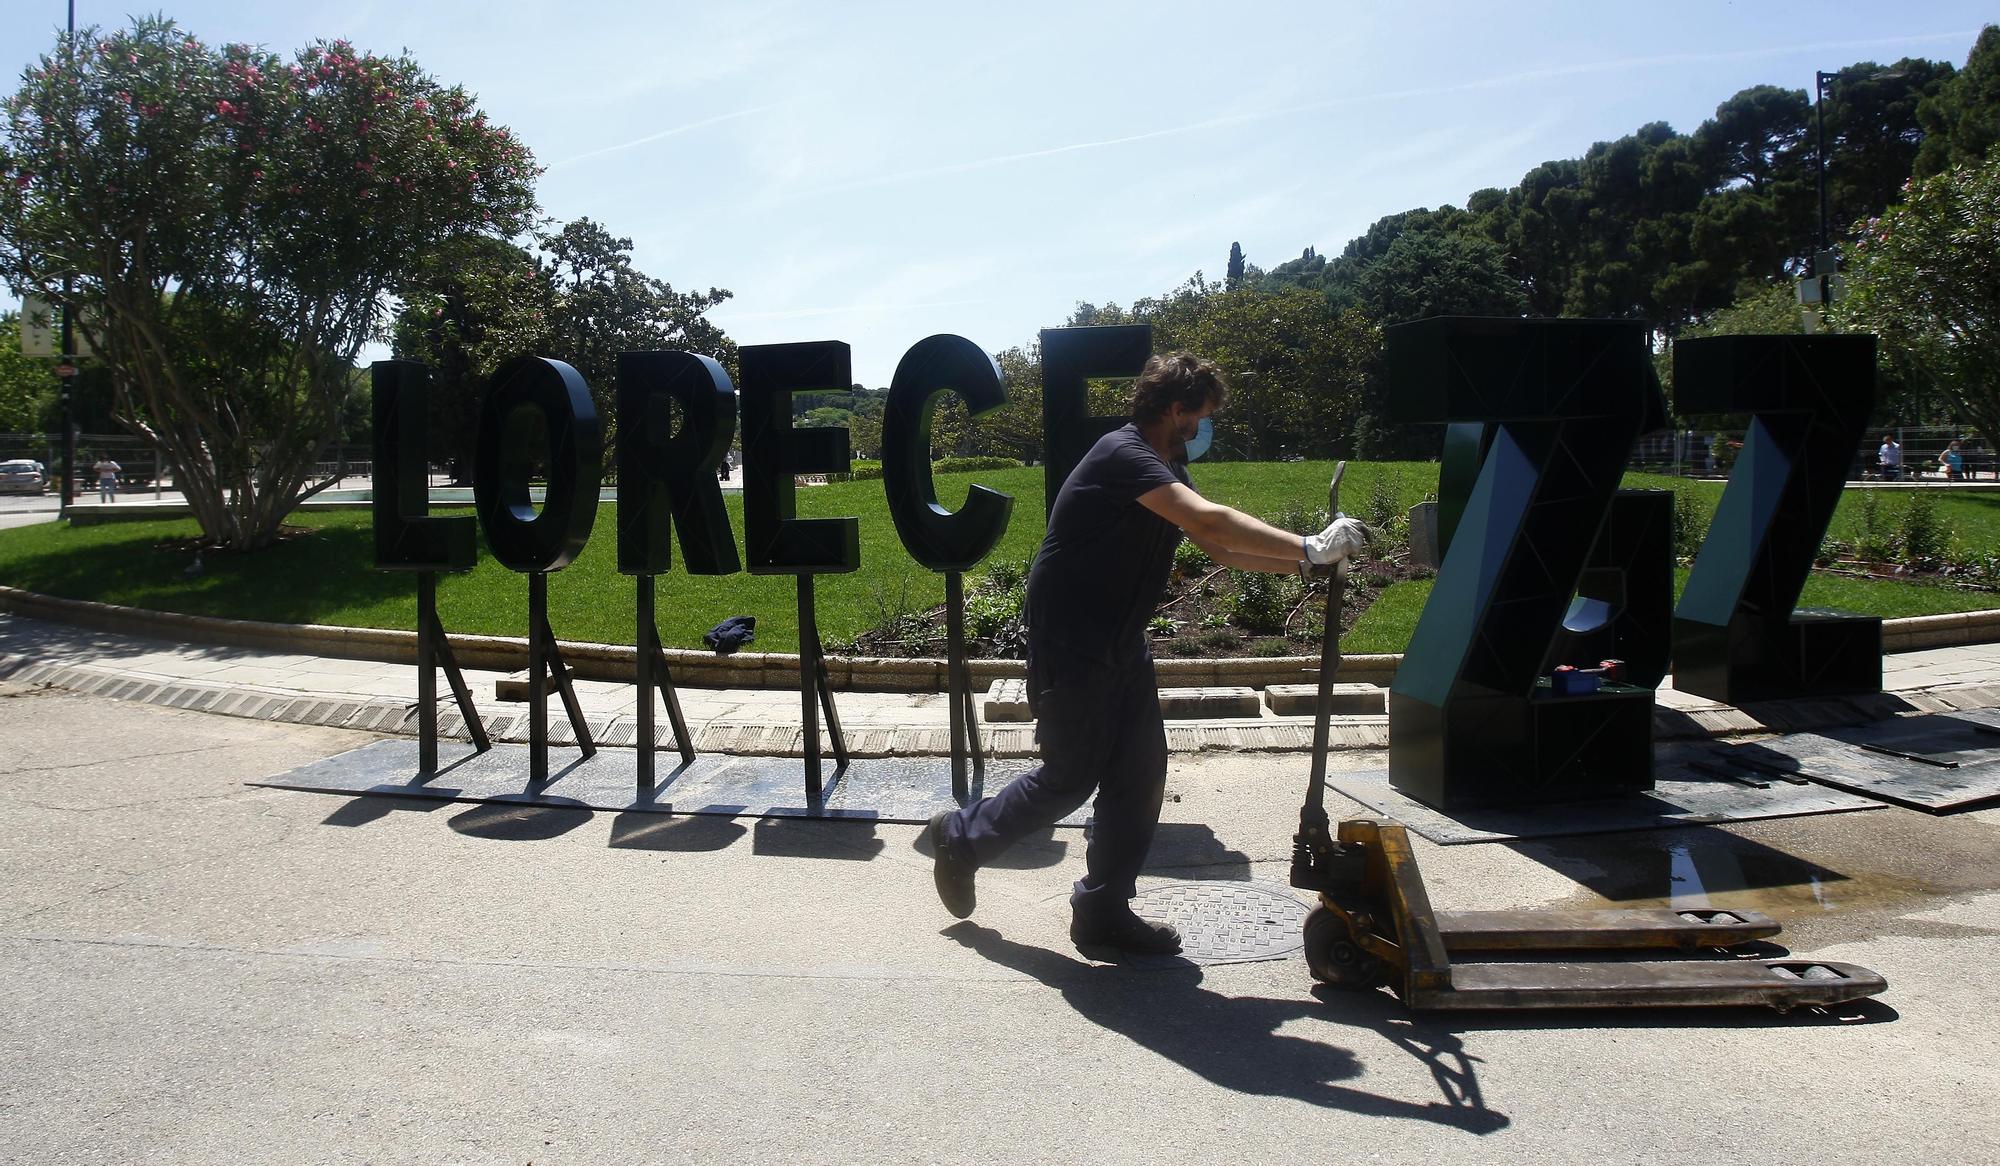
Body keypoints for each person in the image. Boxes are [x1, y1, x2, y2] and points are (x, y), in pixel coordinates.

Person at [926, 352, 1368, 953]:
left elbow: (1220, 550)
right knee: (1070, 775)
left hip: (1119, 639)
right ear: (1176, 408)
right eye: (1202, 416)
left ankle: (1103, 912)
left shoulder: (1165, 468)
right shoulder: (1124, 455)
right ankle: (963, 838)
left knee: (1139, 773)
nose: (1205, 429)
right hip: (1071, 638)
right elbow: (1210, 523)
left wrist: (1303, 561)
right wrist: (1311, 545)